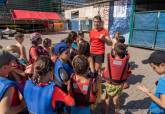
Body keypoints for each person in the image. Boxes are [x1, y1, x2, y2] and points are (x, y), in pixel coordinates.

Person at [103, 43, 131, 114]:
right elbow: (128, 73)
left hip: (110, 84)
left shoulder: (110, 60)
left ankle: (106, 112)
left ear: (114, 52)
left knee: (107, 98)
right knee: (116, 100)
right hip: (119, 85)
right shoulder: (126, 62)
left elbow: (106, 71)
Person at [0, 50, 25, 114]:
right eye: (11, 63)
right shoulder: (7, 85)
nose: (12, 65)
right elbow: (4, 112)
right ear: (4, 67)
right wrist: (22, 105)